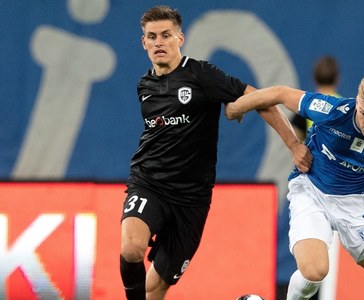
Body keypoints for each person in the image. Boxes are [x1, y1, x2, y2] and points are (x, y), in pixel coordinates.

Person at [119, 6, 311, 300]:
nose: (159, 42)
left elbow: (262, 99)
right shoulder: (144, 85)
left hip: (191, 198)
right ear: (143, 43)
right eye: (152, 37)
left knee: (155, 288)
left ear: (180, 38)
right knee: (131, 247)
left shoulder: (201, 74)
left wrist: (294, 145)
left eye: (166, 35)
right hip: (150, 182)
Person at [226, 72, 364, 300]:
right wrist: (237, 107)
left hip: (356, 202)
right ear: (357, 102)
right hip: (312, 191)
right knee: (314, 272)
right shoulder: (332, 110)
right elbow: (280, 93)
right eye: (363, 113)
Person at [276, 55, 342, 300]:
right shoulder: (344, 106)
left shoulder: (308, 106)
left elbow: (293, 140)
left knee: (309, 246)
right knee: (327, 250)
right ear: (337, 78)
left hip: (311, 184)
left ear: (315, 79)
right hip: (339, 187)